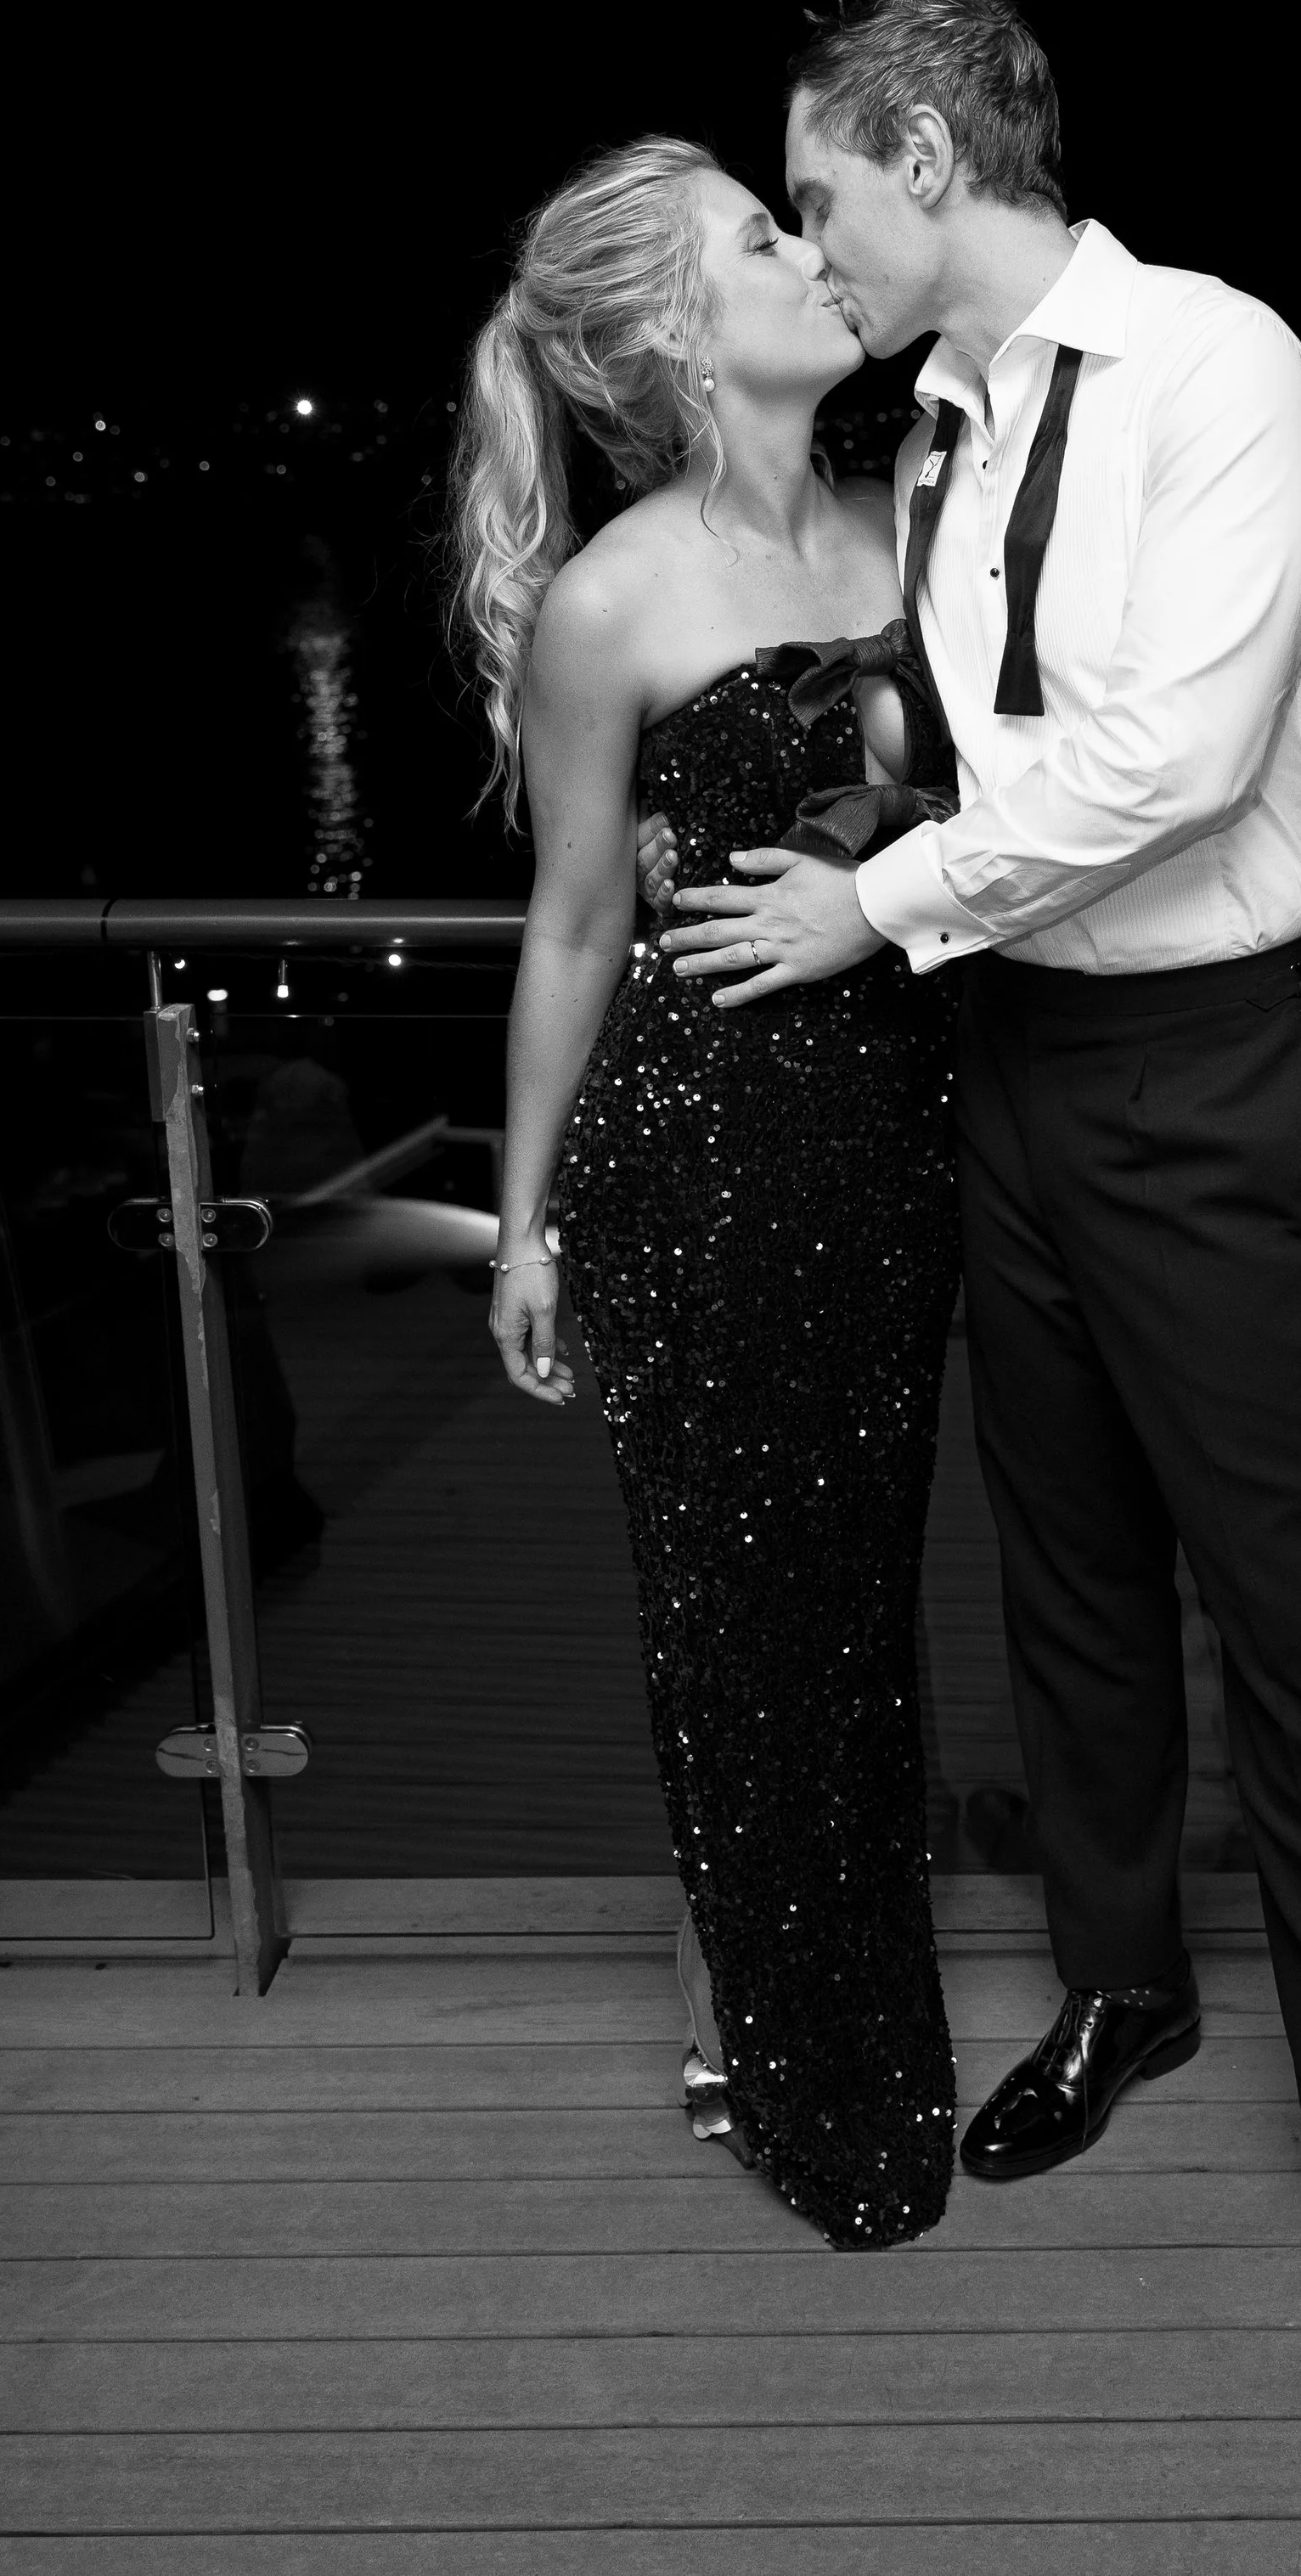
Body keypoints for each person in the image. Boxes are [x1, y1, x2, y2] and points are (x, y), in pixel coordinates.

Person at [662, 0, 1301, 2448]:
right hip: (1009, 1062)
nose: (815, 239)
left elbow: (1175, 756)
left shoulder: (1221, 363)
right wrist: (856, 795)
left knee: (1293, 1623)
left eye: (819, 191)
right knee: (1073, 1581)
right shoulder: (940, 426)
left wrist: (872, 903)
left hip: (1205, 1075)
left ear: (922, 153)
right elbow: (984, 716)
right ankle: (1128, 1986)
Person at [449, 136, 961, 2251]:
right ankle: (804, 2081)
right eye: (764, 235)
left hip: (900, 1152)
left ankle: (840, 2027)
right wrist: (527, 1217)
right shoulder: (612, 596)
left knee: (861, 1622)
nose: (809, 248)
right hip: (711, 1165)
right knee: (745, 1639)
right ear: (677, 331)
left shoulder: (900, 523)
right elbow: (575, 925)